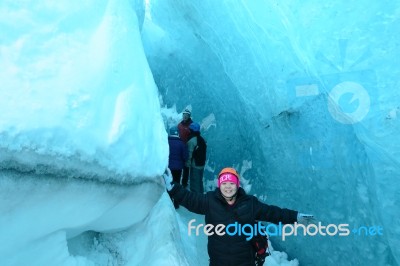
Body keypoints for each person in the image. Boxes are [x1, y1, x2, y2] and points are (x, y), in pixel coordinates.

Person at [162, 167, 314, 266]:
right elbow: (190, 199)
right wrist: (173, 187)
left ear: (237, 185)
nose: (228, 187)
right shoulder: (209, 201)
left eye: (231, 183)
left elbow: (273, 213)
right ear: (219, 185)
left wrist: (295, 217)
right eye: (224, 183)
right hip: (218, 261)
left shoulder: (250, 204)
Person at [167, 126, 189, 208]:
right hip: (178, 168)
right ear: (177, 133)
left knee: (169, 184)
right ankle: (176, 203)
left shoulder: (166, 142)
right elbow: (185, 156)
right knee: (176, 184)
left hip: (168, 168)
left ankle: (168, 203)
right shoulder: (181, 143)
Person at [186, 122, 206, 194]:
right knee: (199, 182)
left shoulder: (192, 141)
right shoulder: (202, 139)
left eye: (190, 129)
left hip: (195, 165)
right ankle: (202, 198)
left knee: (194, 184)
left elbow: (189, 154)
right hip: (201, 164)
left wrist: (187, 164)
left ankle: (196, 201)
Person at [178, 109, 193, 189]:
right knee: (180, 166)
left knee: (186, 167)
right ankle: (179, 182)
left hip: (188, 149)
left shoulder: (192, 125)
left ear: (189, 116)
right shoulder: (180, 125)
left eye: (186, 115)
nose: (185, 116)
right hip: (180, 148)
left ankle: (184, 183)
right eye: (184, 114)